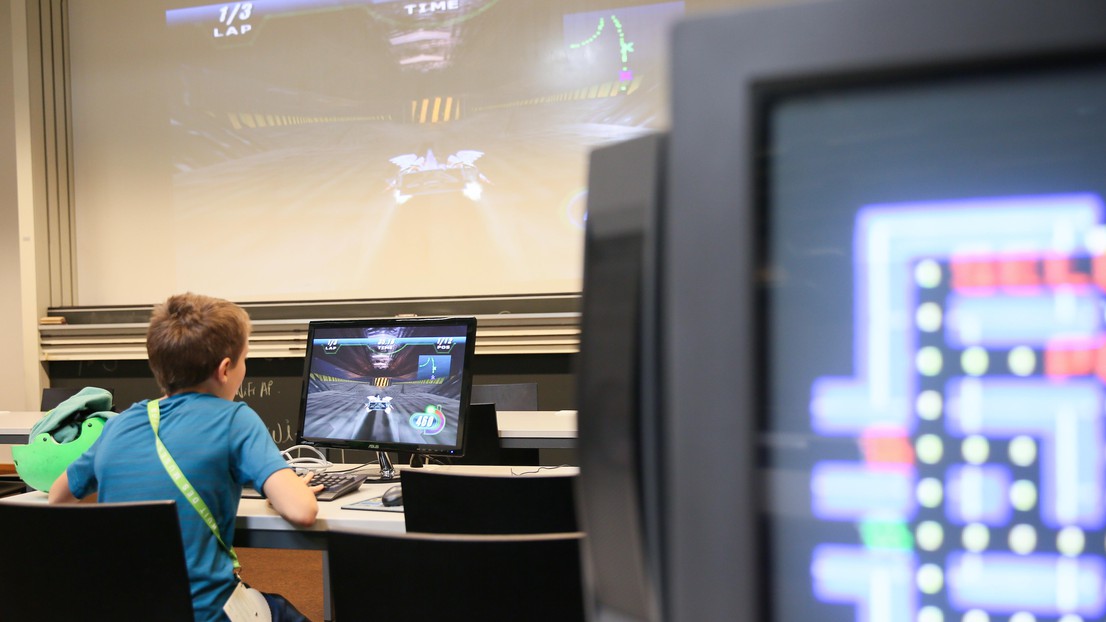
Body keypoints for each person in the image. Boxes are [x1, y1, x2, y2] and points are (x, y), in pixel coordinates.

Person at [49, 292, 322, 621]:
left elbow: (59, 497)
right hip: (204, 613)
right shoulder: (235, 419)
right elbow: (302, 510)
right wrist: (282, 494)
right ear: (225, 369)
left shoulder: (120, 425)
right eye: (244, 359)